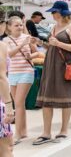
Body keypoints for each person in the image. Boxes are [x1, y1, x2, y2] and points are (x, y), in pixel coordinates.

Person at [34, 1, 71, 145]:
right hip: (50, 66)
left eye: (54, 12)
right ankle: (46, 132)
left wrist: (58, 43)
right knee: (46, 100)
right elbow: (51, 47)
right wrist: (41, 43)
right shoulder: (54, 27)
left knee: (65, 100)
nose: (52, 14)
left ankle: (63, 130)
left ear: (61, 13)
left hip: (64, 67)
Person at [3, 16, 38, 145]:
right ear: (9, 27)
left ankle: (17, 134)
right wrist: (21, 46)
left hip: (26, 72)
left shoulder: (27, 38)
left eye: (20, 25)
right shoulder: (6, 40)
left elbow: (38, 53)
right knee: (20, 104)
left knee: (17, 102)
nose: (19, 27)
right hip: (12, 73)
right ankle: (23, 132)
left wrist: (31, 55)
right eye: (16, 25)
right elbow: (8, 55)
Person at [0, 19, 14, 156]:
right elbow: (1, 77)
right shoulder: (1, 46)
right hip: (0, 102)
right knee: (6, 148)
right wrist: (8, 106)